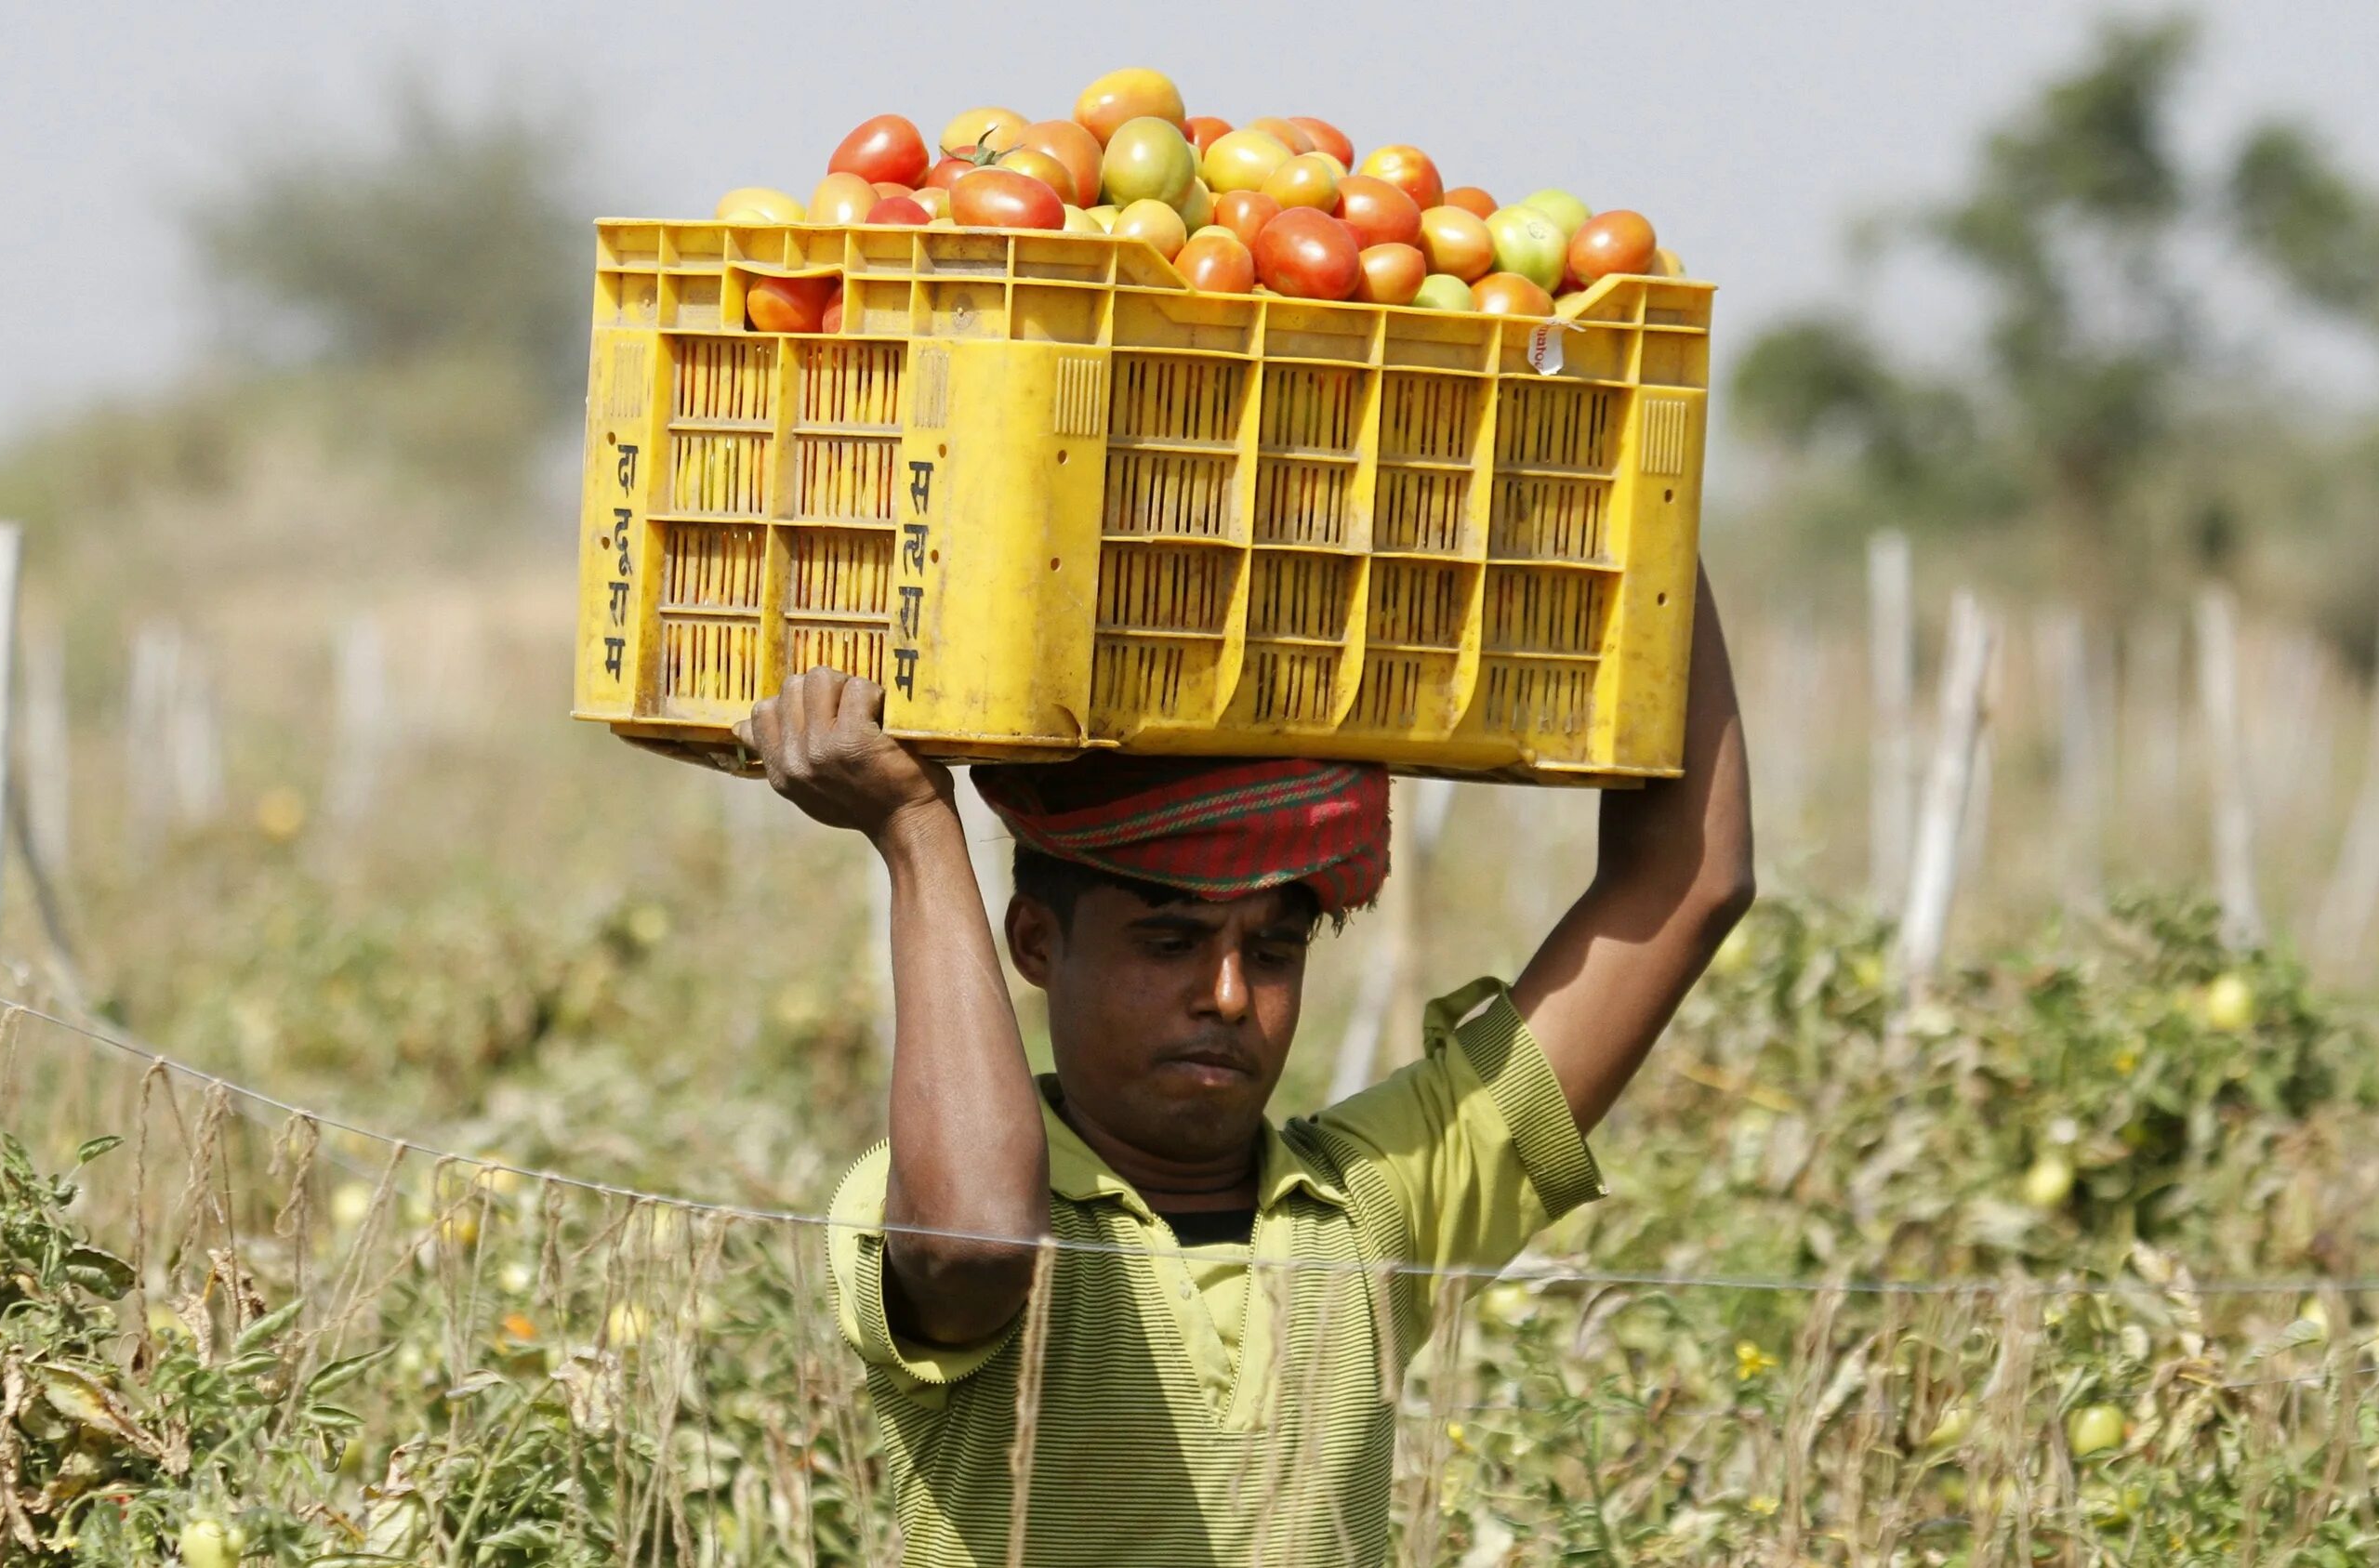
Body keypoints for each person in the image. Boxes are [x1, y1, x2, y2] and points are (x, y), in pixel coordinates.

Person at [737, 569, 1751, 1566]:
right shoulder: (924, 1190)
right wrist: (916, 829)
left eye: (1274, 951)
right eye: (1170, 942)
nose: (1229, 995)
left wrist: (1654, 491)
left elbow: (1689, 881)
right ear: (1036, 944)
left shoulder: (1371, 1202)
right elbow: (977, 1243)